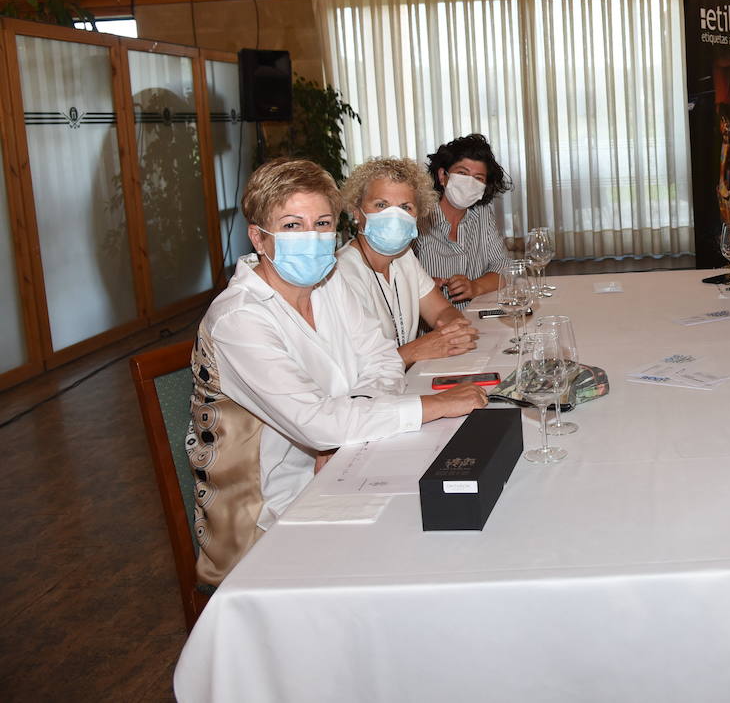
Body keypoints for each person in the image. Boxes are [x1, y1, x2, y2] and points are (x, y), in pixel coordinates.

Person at [186, 158, 488, 585]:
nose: (311, 237)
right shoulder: (239, 320)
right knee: (414, 557)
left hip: (346, 465)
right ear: (259, 237)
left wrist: (342, 430)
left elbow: (382, 361)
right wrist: (430, 406)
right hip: (266, 514)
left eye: (322, 222)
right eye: (292, 225)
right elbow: (316, 424)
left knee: (454, 523)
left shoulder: (328, 286)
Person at [335, 157, 480, 369]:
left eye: (405, 207)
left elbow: (441, 311)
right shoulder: (341, 273)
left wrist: (452, 329)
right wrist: (419, 349)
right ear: (357, 212)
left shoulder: (404, 257)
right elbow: (359, 367)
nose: (394, 216)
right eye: (381, 205)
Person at [416, 134, 513, 307]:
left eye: (478, 178)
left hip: (477, 318)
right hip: (433, 325)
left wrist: (475, 286)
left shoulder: (482, 214)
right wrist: (422, 285)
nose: (469, 183)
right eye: (462, 173)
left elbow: (504, 266)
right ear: (442, 176)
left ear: (484, 188)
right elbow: (396, 275)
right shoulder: (419, 218)